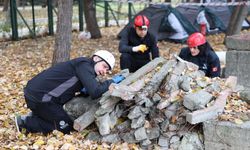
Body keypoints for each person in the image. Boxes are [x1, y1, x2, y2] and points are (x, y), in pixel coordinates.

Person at [15, 50, 125, 134]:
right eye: (104, 66)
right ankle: (25, 123)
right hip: (40, 98)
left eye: (107, 70)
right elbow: (95, 91)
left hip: (41, 96)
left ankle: (38, 115)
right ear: (96, 59)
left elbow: (74, 85)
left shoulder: (84, 67)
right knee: (66, 127)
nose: (104, 72)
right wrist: (111, 82)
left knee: (63, 120)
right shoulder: (85, 65)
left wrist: (83, 89)